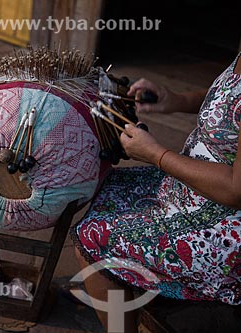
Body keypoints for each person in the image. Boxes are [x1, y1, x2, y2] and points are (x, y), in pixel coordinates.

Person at [70, 52, 241, 333]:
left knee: (91, 238)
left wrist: (156, 154)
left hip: (224, 223)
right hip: (189, 190)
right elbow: (230, 96)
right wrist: (175, 100)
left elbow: (236, 190)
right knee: (106, 188)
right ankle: (126, 289)